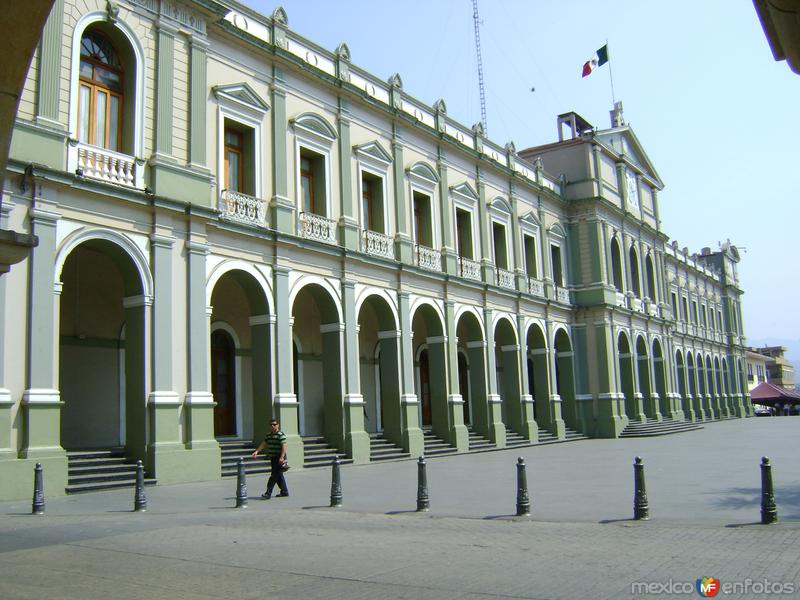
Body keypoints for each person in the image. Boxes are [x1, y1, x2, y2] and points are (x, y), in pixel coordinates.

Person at [251, 419, 289, 499]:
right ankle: (284, 492)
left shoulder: (280, 435)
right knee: (279, 476)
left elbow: (284, 446)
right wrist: (257, 451)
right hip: (273, 458)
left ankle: (268, 493)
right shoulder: (268, 435)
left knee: (274, 476)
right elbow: (264, 444)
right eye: (271, 424)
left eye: (274, 424)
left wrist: (282, 457)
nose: (272, 426)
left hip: (279, 458)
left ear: (278, 425)